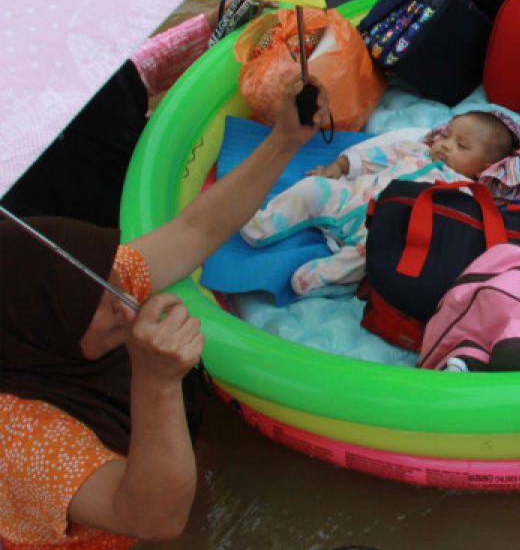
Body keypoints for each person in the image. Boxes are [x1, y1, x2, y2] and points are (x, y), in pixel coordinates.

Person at [0, 78, 329, 549]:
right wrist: (156, 382)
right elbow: (153, 518)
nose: (123, 294)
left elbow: (195, 230)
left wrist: (283, 140)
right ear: (44, 332)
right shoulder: (19, 439)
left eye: (112, 275)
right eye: (100, 298)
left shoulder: (89, 285)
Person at [1, 0, 269, 227]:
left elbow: (140, 69)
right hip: (118, 229)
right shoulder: (16, 200)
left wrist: (216, 20)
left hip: (146, 153)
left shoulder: (69, 60)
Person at [240, 111, 520, 296]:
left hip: (380, 230)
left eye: (460, 145)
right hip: (350, 199)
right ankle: (260, 224)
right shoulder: (416, 150)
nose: (445, 146)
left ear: (483, 167)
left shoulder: (464, 190)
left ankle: (319, 277)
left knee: (371, 257)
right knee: (312, 189)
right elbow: (373, 157)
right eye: (446, 135)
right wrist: (339, 168)